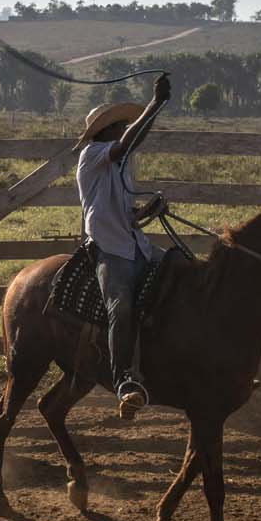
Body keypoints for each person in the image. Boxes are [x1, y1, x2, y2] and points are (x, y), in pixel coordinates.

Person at [74, 73, 172, 419]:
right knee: (122, 307)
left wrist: (147, 212)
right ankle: (125, 381)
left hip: (133, 244)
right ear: (106, 131)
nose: (123, 131)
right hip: (107, 248)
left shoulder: (119, 163)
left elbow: (125, 216)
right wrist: (155, 104)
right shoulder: (92, 155)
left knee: (186, 273)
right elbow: (128, 142)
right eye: (119, 126)